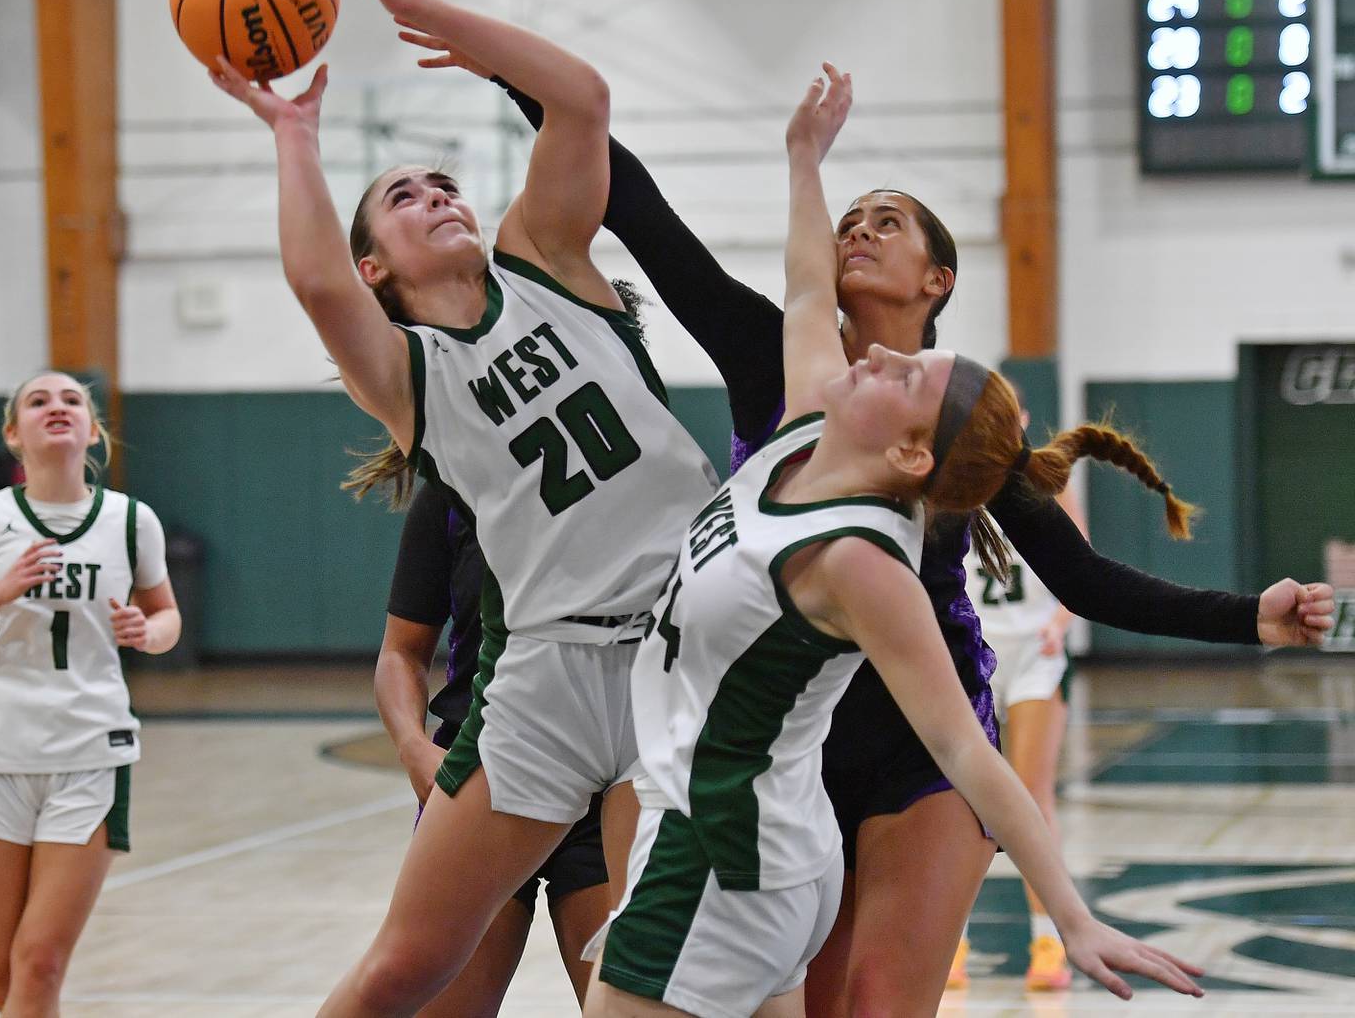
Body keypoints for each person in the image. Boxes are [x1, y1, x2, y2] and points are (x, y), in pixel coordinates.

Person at [398, 50, 1336, 1013]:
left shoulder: (962, 430)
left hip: (919, 744)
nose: (858, 230)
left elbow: (1085, 579)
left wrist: (1247, 618)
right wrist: (529, 82)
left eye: (886, 222)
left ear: (939, 277)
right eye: (849, 219)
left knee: (880, 1002)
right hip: (785, 756)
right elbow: (643, 217)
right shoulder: (787, 361)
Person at [580, 72, 1205, 1017]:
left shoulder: (863, 545)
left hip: (743, 844)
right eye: (852, 221)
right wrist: (800, 160)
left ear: (911, 446)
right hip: (768, 819)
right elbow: (791, 284)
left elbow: (967, 742)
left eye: (905, 372)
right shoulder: (806, 421)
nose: (874, 356)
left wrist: (1069, 916)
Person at [209, 0, 719, 1015]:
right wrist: (293, 134)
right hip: (542, 675)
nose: (437, 196)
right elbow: (312, 285)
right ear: (376, 266)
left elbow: (581, 99)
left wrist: (423, 9)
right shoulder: (409, 373)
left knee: (643, 973)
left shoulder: (545, 259)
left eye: (444, 185)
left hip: (676, 652)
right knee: (408, 964)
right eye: (404, 197)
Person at [0, 371, 181, 1015]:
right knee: (0, 968)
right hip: (0, 753)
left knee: (40, 960)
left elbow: (167, 616)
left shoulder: (129, 521)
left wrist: (146, 633)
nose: (57, 407)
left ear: (93, 431)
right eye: (38, 401)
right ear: (15, 434)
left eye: (72, 401)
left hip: (90, 750)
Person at [379, 478, 610, 1016]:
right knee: (409, 984)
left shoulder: (631, 469)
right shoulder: (451, 494)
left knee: (628, 1002)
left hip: (605, 780)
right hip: (481, 773)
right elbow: (401, 652)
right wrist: (413, 747)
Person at [951, 428, 1086, 992]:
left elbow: (1083, 572)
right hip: (971, 650)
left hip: (1034, 652)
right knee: (953, 804)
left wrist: (1059, 624)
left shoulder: (1046, 484)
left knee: (1032, 796)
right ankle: (951, 944)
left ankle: (1048, 942)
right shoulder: (951, 479)